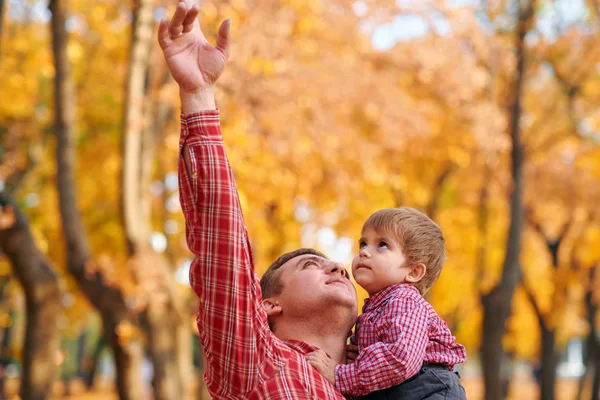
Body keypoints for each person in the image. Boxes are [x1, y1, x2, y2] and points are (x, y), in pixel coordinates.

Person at [157, 2, 358, 398]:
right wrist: (198, 97)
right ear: (268, 306)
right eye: (313, 265)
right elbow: (225, 251)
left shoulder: (390, 379)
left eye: (335, 265)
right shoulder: (258, 362)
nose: (339, 266)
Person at [306, 208, 467, 399]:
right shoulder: (375, 308)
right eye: (363, 243)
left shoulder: (404, 301)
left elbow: (401, 359)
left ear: (414, 272)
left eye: (382, 245)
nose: (365, 252)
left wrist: (341, 374)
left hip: (427, 389)